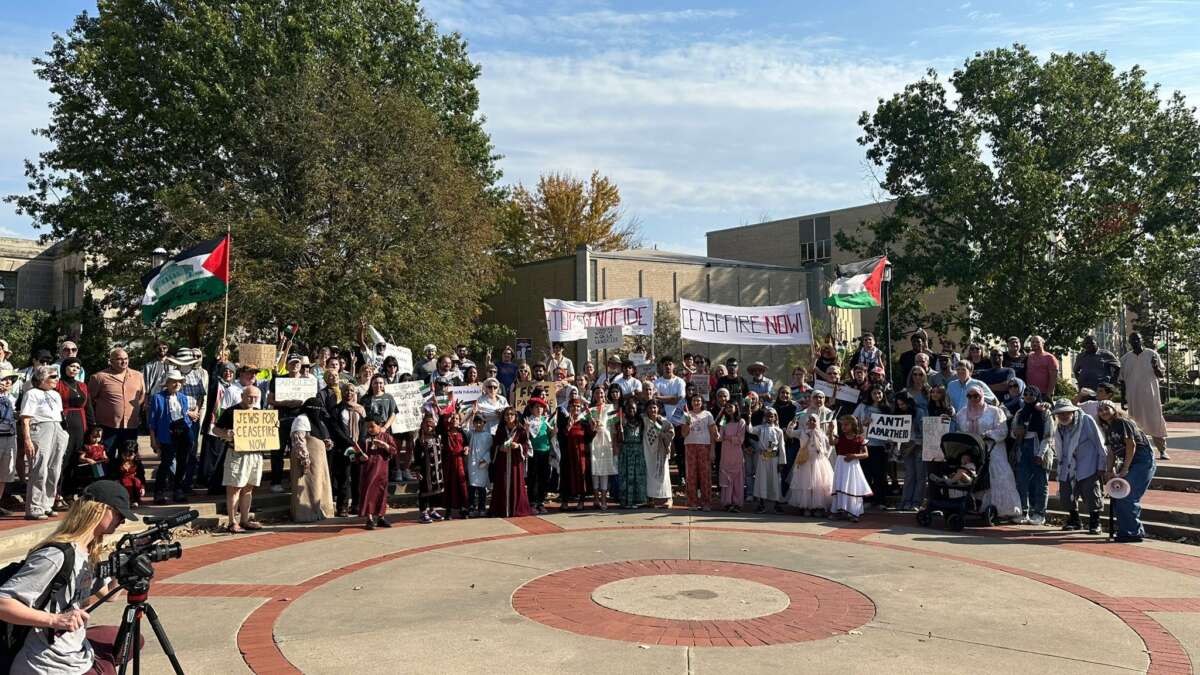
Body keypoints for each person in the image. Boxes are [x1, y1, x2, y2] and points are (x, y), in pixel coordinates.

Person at [0, 480, 142, 674]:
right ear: (99, 510)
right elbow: (2, 602)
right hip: (44, 659)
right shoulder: (55, 555)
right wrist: (56, 620)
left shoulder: (88, 551)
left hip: (72, 644)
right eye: (119, 514)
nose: (122, 521)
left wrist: (128, 566)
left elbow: (109, 594)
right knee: (106, 669)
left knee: (131, 639)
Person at [956, 385, 1022, 522]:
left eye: (976, 396)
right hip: (973, 451)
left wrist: (988, 434)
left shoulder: (995, 412)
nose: (973, 399)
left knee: (999, 476)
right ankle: (972, 504)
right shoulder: (962, 413)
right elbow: (960, 432)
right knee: (973, 474)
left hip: (993, 448)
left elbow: (1003, 431)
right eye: (970, 396)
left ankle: (1005, 510)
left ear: (982, 396)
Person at [208, 385, 266, 533]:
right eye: (249, 396)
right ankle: (232, 521)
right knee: (234, 488)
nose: (252, 400)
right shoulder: (231, 411)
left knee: (248, 488)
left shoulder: (260, 413)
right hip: (237, 453)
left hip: (255, 453)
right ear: (242, 396)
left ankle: (245, 519)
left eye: (255, 397)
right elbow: (214, 429)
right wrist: (225, 433)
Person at [1097, 401, 1156, 542]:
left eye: (1107, 408)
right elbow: (1111, 451)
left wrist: (1125, 468)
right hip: (1128, 461)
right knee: (1119, 496)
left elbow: (1131, 445)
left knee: (1127, 495)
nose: (1103, 412)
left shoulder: (1123, 422)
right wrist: (1109, 470)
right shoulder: (1108, 427)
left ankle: (1133, 532)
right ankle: (1127, 530)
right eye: (1100, 410)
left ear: (1114, 409)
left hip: (1141, 460)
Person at [20, 366, 70, 521]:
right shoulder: (31, 393)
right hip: (40, 427)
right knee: (39, 468)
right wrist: (27, 439)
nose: (56, 379)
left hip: (57, 426)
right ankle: (34, 507)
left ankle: (47, 504)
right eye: (53, 376)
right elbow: (25, 418)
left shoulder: (55, 394)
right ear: (42, 378)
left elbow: (60, 414)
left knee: (54, 468)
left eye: (57, 376)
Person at [1052, 398, 1107, 534]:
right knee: (1067, 494)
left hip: (1088, 464)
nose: (1064, 416)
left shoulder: (1085, 420)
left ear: (1073, 411)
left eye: (1066, 413)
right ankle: (1075, 520)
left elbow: (1100, 443)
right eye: (1060, 414)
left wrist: (1102, 465)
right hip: (1067, 465)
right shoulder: (1060, 427)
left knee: (1091, 494)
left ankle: (1095, 523)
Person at [146, 369, 197, 505]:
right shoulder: (158, 398)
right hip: (167, 432)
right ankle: (159, 492)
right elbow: (152, 422)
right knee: (166, 463)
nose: (176, 384)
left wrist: (189, 418)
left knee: (183, 462)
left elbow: (184, 415)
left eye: (179, 382)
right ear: (167, 383)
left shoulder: (183, 397)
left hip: (184, 431)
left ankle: (178, 490)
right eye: (173, 381)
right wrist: (153, 440)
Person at [86, 349, 145, 462]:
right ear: (111, 361)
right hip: (108, 426)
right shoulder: (99, 377)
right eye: (120, 359)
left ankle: (125, 480)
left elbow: (142, 396)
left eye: (126, 359)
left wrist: (133, 409)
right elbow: (90, 400)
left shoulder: (138, 376)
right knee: (106, 457)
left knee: (129, 458)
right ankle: (108, 479)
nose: (124, 362)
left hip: (130, 426)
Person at [1119, 332, 1170, 460]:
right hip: (1133, 398)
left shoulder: (1152, 354)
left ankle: (1162, 450)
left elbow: (1161, 375)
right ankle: (1140, 453)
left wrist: (1154, 366)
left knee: (1156, 423)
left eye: (1137, 339)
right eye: (1132, 339)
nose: (1135, 341)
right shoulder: (1125, 359)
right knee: (1135, 426)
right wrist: (1122, 399)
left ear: (1141, 340)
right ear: (1129, 342)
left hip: (1151, 397)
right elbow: (1122, 381)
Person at [1011, 385, 1054, 525]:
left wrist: (1041, 453)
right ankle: (1024, 512)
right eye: (1026, 394)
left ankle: (1039, 513)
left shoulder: (1045, 412)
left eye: (1032, 394)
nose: (1029, 396)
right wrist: (1017, 432)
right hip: (1023, 448)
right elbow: (1012, 431)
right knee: (1022, 482)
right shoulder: (1020, 413)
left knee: (1041, 483)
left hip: (1039, 448)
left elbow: (1049, 435)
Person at [54, 357, 93, 507]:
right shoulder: (58, 385)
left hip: (81, 426)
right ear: (64, 367)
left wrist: (92, 427)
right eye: (71, 366)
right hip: (64, 425)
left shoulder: (82, 386)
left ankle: (69, 494)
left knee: (75, 461)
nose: (74, 369)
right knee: (62, 461)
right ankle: (56, 495)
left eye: (77, 367)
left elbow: (88, 407)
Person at [289, 397, 335, 522]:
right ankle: (305, 514)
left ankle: (320, 511)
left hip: (319, 461)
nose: (316, 411)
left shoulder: (319, 421)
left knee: (318, 486)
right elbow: (299, 440)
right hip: (306, 459)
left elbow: (322, 436)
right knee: (306, 487)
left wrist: (327, 443)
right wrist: (304, 458)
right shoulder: (301, 419)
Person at [785, 413, 834, 516]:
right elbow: (789, 433)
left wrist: (824, 455)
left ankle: (818, 508)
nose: (811, 422)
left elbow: (829, 446)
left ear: (818, 422)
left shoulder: (821, 433)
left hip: (818, 461)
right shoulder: (802, 432)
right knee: (805, 483)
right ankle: (806, 507)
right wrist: (793, 423)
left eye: (814, 420)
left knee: (818, 484)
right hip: (805, 461)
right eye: (810, 420)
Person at [488, 407, 533, 517]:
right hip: (503, 463)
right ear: (503, 417)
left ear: (515, 416)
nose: (509, 417)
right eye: (507, 414)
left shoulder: (521, 430)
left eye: (512, 414)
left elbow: (526, 446)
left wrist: (518, 446)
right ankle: (502, 509)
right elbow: (494, 446)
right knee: (502, 484)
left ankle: (515, 509)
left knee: (516, 483)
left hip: (515, 463)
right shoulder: (501, 430)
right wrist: (500, 448)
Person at [355, 415, 396, 529]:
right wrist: (360, 458)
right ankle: (369, 518)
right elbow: (356, 455)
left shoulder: (386, 437)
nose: (369, 429)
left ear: (380, 426)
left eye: (372, 426)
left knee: (381, 494)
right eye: (367, 427)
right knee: (368, 493)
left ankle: (381, 517)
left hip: (382, 471)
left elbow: (394, 451)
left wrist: (385, 446)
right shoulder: (364, 439)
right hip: (368, 471)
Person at [747, 407, 787, 514]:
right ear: (764, 417)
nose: (769, 417)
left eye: (772, 416)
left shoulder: (778, 431)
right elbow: (750, 430)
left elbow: (781, 447)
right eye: (767, 415)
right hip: (763, 457)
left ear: (775, 417)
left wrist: (781, 462)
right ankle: (761, 504)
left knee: (775, 480)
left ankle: (776, 504)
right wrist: (749, 419)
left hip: (774, 458)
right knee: (762, 479)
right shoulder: (761, 428)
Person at [831, 415, 871, 521]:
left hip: (852, 467)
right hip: (841, 466)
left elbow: (866, 454)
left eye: (846, 425)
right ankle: (839, 510)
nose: (843, 427)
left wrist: (854, 456)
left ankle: (853, 512)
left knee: (851, 487)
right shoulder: (840, 437)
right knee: (840, 486)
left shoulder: (859, 439)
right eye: (842, 425)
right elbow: (831, 442)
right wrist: (830, 431)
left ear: (853, 425)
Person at [681, 394, 717, 511]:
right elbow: (683, 434)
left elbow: (713, 433)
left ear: (702, 402)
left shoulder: (708, 414)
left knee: (705, 475)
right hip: (690, 446)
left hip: (704, 446)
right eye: (694, 400)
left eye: (698, 400)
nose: (696, 402)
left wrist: (712, 450)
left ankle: (706, 502)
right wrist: (687, 423)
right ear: (691, 402)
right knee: (691, 475)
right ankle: (692, 502)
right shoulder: (687, 414)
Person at [413, 411, 446, 523]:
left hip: (436, 471)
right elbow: (416, 457)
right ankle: (423, 513)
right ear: (422, 426)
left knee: (435, 492)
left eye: (431, 425)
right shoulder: (420, 441)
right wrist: (417, 471)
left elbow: (442, 426)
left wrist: (441, 414)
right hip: (425, 471)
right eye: (427, 425)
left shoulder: (437, 438)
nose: (429, 428)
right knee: (424, 492)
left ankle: (432, 510)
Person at [438, 405, 469, 519]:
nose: (454, 420)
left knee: (461, 485)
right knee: (449, 485)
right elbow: (439, 427)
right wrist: (442, 416)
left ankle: (463, 509)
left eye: (456, 418)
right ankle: (448, 510)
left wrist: (466, 448)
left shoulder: (463, 433)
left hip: (460, 462)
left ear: (460, 421)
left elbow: (466, 444)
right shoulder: (445, 432)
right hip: (448, 463)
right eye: (452, 418)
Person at [642, 399, 675, 508]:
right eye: (650, 407)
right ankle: (651, 499)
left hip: (661, 451)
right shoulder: (644, 420)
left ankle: (668, 498)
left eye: (654, 407)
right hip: (648, 451)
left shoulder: (664, 422)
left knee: (663, 474)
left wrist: (663, 435)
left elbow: (671, 433)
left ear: (658, 409)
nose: (652, 410)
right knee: (649, 474)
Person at [523, 398, 554, 514]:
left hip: (545, 452)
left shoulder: (546, 421)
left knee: (544, 478)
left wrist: (554, 432)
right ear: (531, 409)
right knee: (533, 478)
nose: (539, 409)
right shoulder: (528, 421)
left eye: (541, 407)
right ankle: (532, 502)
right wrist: (526, 429)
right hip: (533, 453)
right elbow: (525, 438)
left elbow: (550, 436)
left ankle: (541, 501)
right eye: (536, 407)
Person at [588, 392, 617, 510]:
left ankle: (604, 499)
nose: (600, 395)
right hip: (594, 440)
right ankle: (596, 498)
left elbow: (613, 427)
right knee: (595, 469)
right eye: (597, 393)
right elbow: (588, 426)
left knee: (604, 469)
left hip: (606, 440)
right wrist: (593, 425)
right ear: (594, 396)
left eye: (602, 393)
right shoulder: (590, 410)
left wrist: (614, 444)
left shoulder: (610, 408)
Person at [717, 400, 747, 512]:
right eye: (727, 407)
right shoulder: (723, 420)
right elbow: (720, 438)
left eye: (731, 407)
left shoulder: (741, 422)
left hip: (736, 454)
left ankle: (737, 503)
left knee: (737, 479)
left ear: (736, 407)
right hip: (725, 453)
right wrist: (715, 432)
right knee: (726, 478)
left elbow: (740, 439)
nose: (729, 409)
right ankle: (727, 503)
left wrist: (727, 438)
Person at [0, 371, 21, 515]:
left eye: (10, 380)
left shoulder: (12, 398)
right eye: (4, 379)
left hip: (10, 437)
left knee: (5, 473)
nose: (8, 382)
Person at [464, 412, 491, 517]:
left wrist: (485, 459)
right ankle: (471, 506)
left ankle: (482, 507)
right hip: (472, 464)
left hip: (483, 465)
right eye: (476, 423)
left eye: (480, 423)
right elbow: (463, 427)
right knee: (471, 487)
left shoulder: (488, 436)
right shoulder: (471, 434)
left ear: (484, 423)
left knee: (482, 488)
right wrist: (470, 415)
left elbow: (490, 450)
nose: (478, 425)